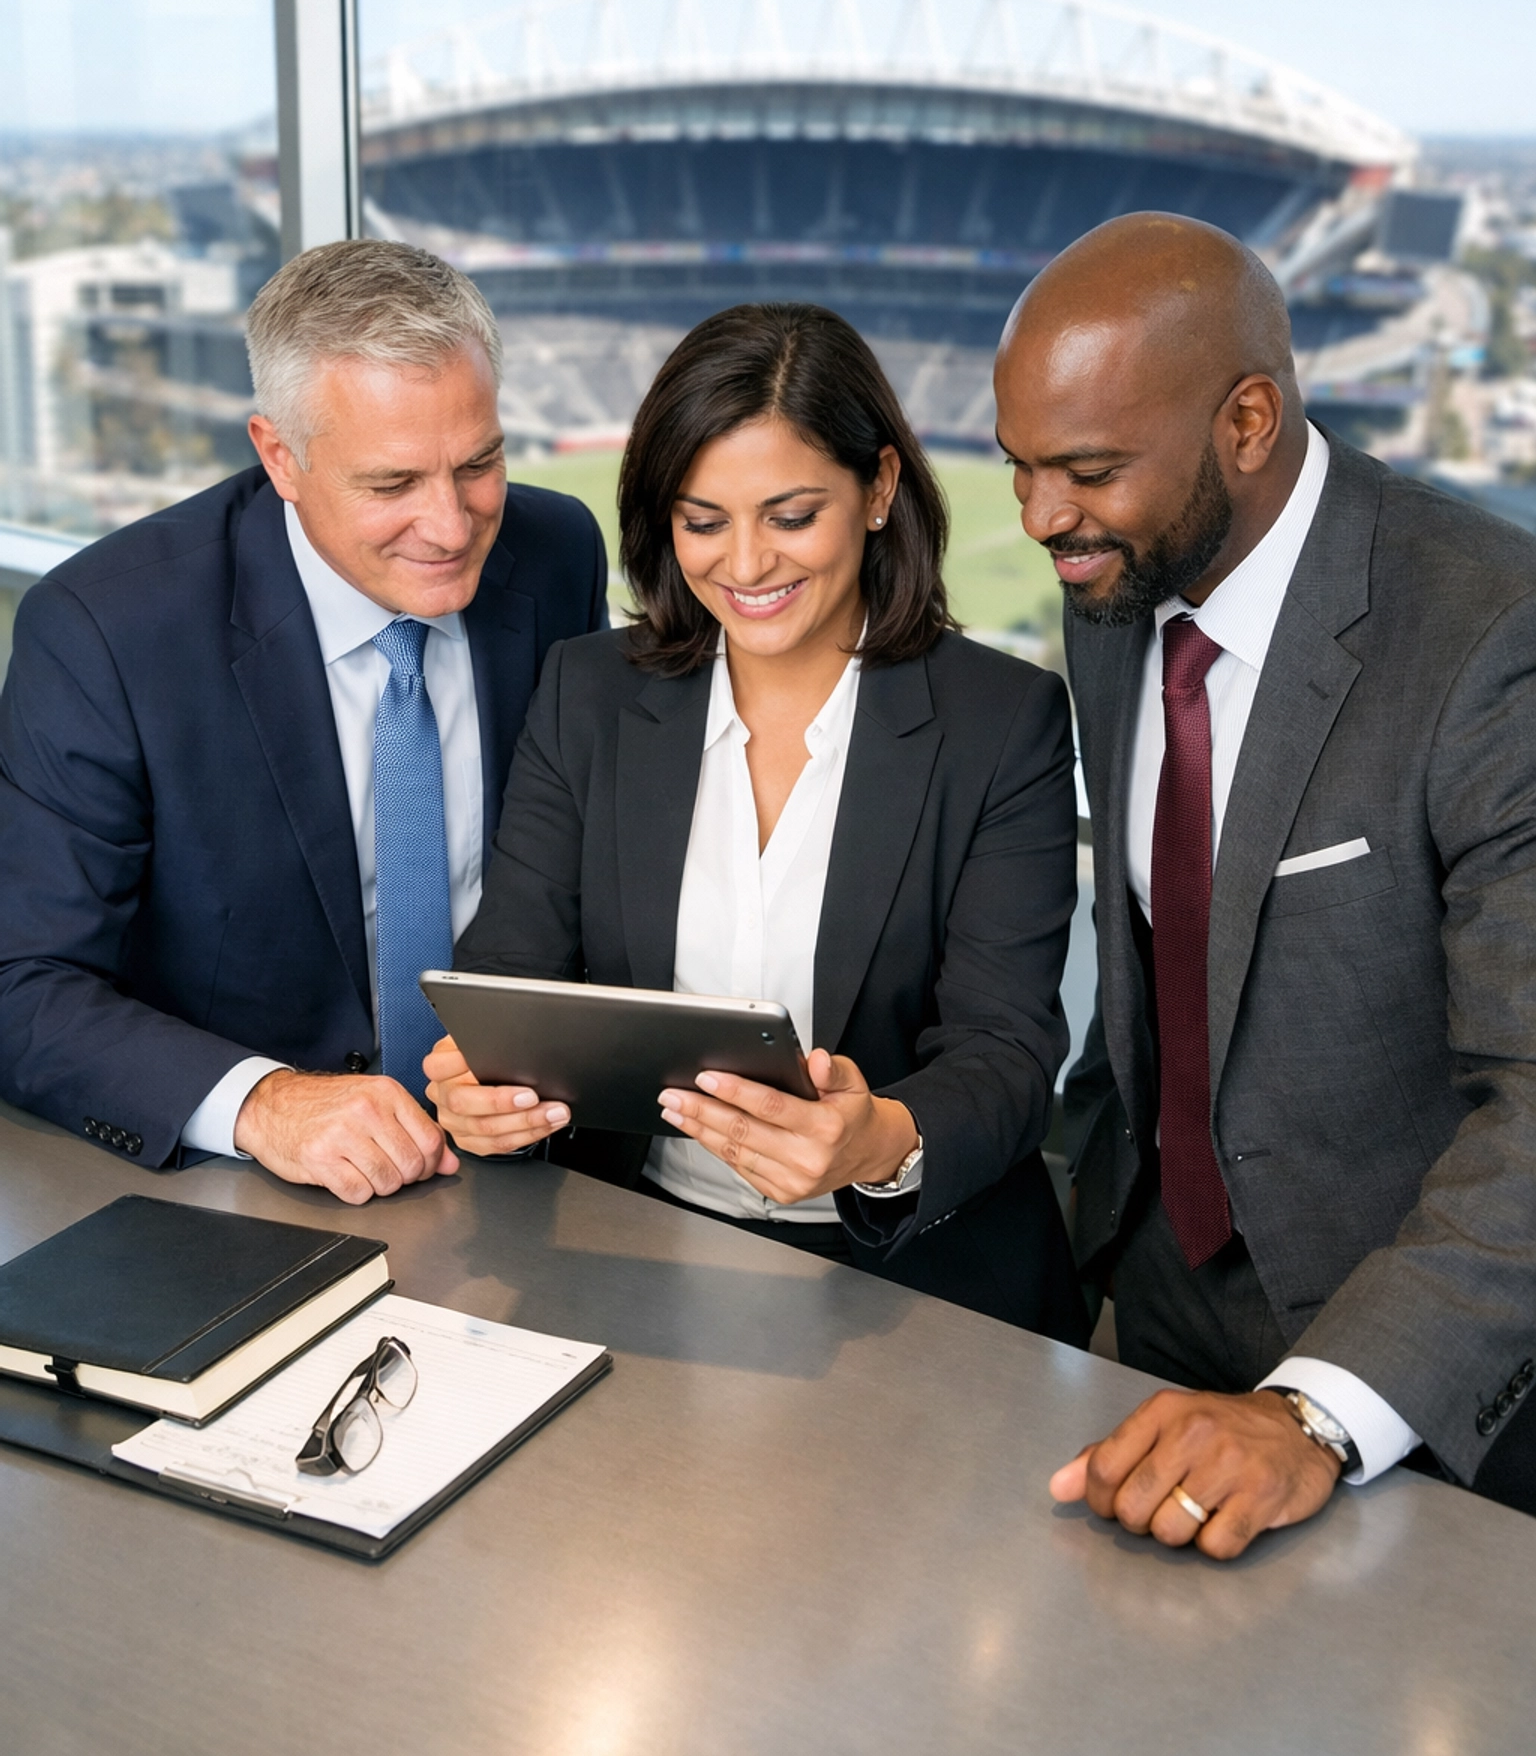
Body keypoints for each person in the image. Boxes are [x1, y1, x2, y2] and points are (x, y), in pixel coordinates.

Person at [988, 210, 1536, 1553]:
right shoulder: (1116, 584)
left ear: (1246, 422)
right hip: (1155, 1294)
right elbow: (1156, 954)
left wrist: (1318, 1413)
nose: (1042, 519)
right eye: (1019, 469)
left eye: (1087, 471)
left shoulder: (1491, 635)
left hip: (1411, 1369)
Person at [427, 301, 1089, 1337]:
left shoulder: (1002, 722)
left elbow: (1004, 1050)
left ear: (879, 490)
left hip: (914, 1281)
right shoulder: (586, 692)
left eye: (790, 517)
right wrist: (483, 1087)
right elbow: (511, 972)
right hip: (630, 1249)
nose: (743, 566)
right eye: (703, 522)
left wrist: (880, 1141)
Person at [0, 239, 606, 1204]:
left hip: (532, 1169)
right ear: (280, 456)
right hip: (248, 1188)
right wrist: (261, 1102)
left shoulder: (556, 550)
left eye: (479, 464)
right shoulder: (108, 631)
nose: (452, 527)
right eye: (392, 484)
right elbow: (23, 980)